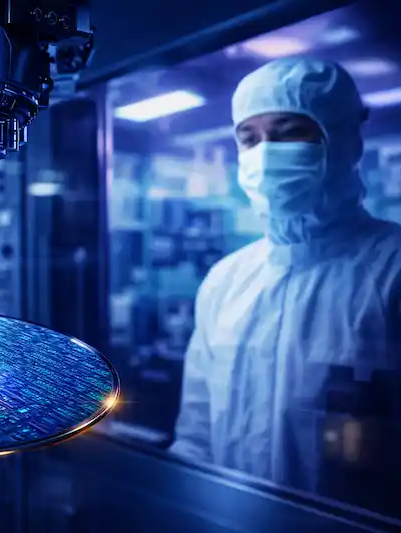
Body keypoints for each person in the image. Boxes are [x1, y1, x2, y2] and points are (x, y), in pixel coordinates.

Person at [170, 57, 401, 509]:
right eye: (249, 138)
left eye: (289, 131)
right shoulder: (226, 280)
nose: (265, 153)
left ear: (343, 141)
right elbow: (195, 434)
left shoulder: (392, 270)